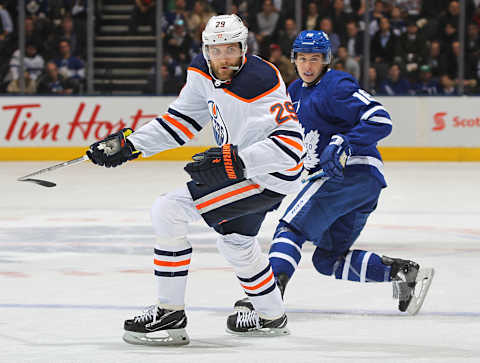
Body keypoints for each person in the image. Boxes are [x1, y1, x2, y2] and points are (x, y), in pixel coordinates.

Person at [87, 14, 304, 345]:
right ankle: (270, 316)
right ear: (206, 50)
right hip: (246, 171)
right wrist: (132, 146)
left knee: (168, 210)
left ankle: (170, 315)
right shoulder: (201, 71)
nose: (223, 58)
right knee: (235, 242)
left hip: (267, 175)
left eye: (231, 49)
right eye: (216, 51)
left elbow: (292, 147)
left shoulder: (260, 80)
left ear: (244, 48)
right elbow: (182, 121)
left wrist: (239, 160)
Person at [234, 30, 434, 316]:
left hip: (347, 173)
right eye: (302, 58)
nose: (308, 65)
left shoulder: (335, 84)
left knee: (290, 229)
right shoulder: (292, 93)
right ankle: (401, 272)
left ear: (326, 60)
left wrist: (344, 142)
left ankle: (267, 297)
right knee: (328, 260)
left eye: (314, 59)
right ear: (294, 60)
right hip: (360, 185)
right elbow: (287, 143)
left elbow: (380, 118)